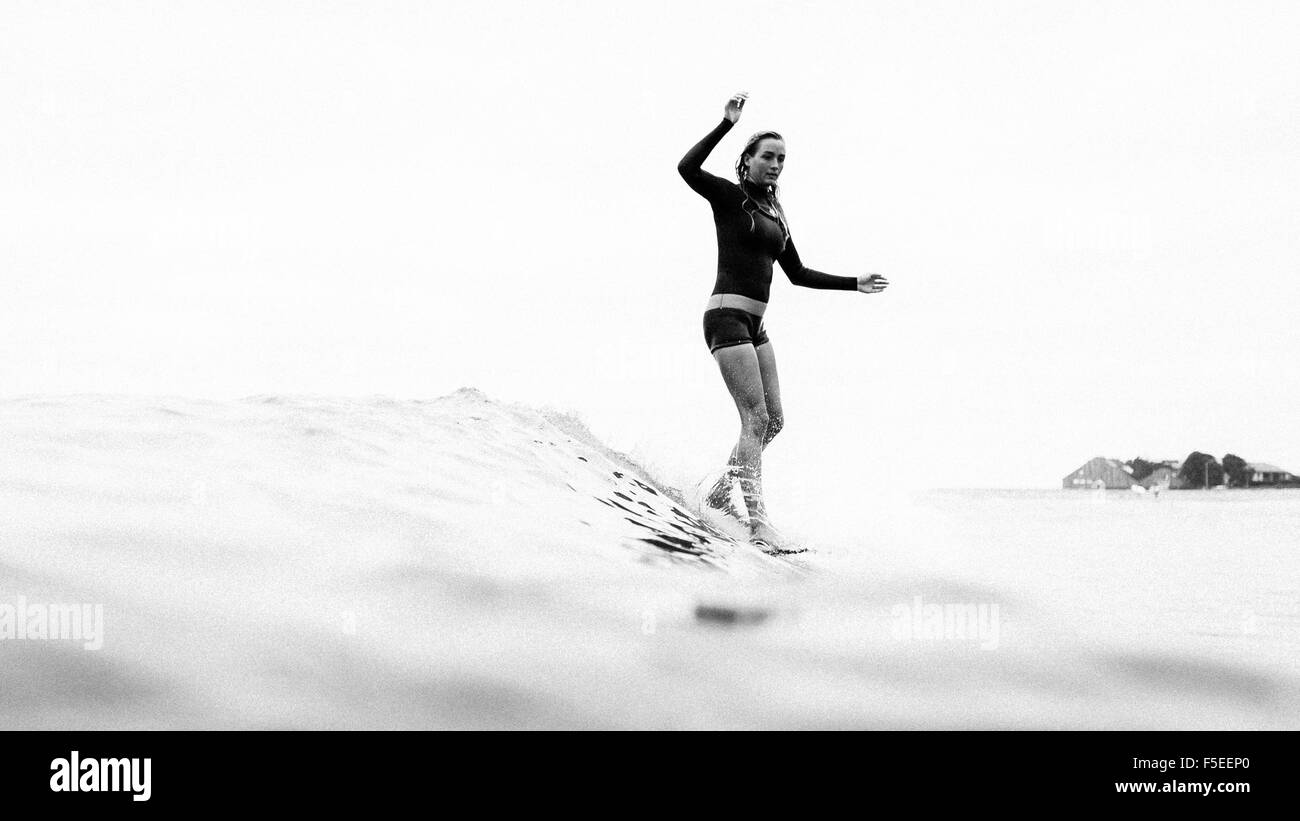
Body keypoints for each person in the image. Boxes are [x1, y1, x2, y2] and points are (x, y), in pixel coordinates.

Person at [678, 91, 889, 552]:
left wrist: (854, 282)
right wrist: (725, 124)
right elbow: (686, 169)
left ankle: (718, 491)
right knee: (753, 418)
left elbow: (798, 274)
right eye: (768, 156)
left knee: (773, 422)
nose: (776, 164)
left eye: (782, 158)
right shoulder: (729, 198)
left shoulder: (775, 214)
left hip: (756, 327)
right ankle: (759, 525)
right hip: (726, 317)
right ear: (748, 161)